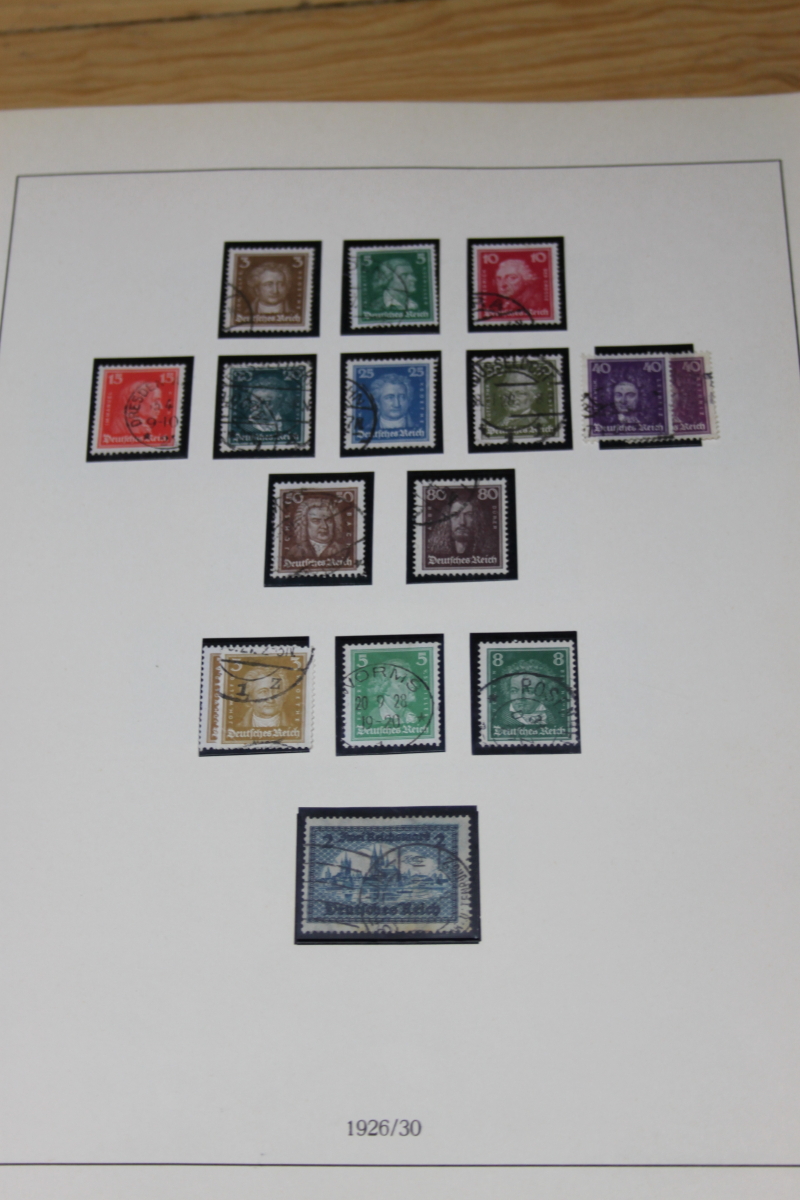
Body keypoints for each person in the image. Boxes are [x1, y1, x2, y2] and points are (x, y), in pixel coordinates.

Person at [426, 492, 490, 559]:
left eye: (469, 515)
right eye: (455, 515)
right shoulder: (435, 553)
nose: (462, 522)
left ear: (476, 519)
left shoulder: (486, 552)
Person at [286, 495, 348, 562]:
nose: (324, 526)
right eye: (316, 521)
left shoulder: (344, 551)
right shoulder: (294, 552)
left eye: (328, 520)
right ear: (304, 524)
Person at [231, 664, 291, 732]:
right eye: (263, 691)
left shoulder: (294, 727)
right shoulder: (237, 728)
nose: (271, 700)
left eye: (276, 692)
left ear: (284, 696)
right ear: (250, 697)